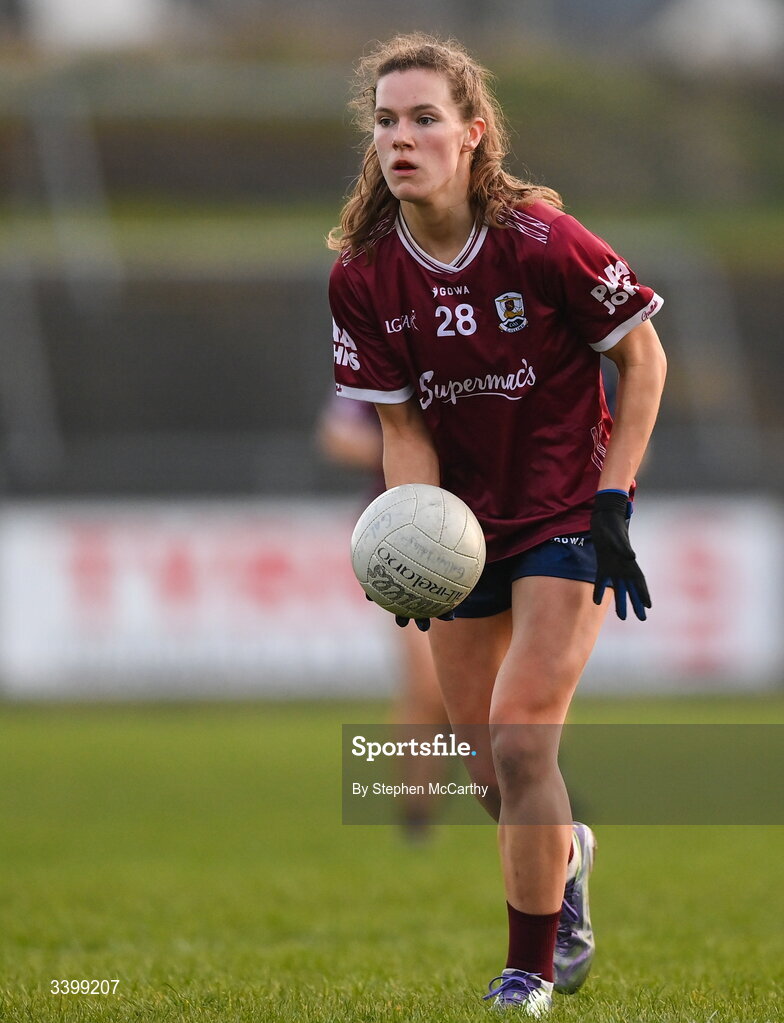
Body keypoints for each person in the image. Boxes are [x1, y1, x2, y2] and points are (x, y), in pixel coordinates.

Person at [327, 32, 666, 1016]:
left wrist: (614, 494)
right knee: (482, 766)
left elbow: (640, 361)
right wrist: (408, 533)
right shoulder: (362, 276)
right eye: (386, 120)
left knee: (523, 746)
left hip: (565, 512)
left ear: (472, 134)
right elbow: (401, 428)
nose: (402, 137)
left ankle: (525, 970)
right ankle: (568, 857)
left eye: (424, 117)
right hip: (463, 531)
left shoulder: (541, 241)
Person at [316, 393, 449, 838]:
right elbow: (336, 436)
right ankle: (416, 814)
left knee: (510, 676)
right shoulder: (389, 349)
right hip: (406, 539)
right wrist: (407, 443)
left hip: (494, 524)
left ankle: (538, 791)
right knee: (426, 683)